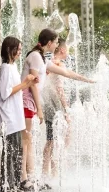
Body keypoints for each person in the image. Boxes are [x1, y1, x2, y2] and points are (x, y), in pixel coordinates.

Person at [20, 28, 94, 190]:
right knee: (26, 140)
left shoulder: (41, 58)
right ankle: (25, 178)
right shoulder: (35, 57)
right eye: (55, 42)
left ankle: (30, 178)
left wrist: (87, 80)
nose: (56, 45)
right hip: (27, 102)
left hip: (31, 103)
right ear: (49, 43)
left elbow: (66, 72)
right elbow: (32, 83)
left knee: (28, 140)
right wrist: (39, 109)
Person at [0, 36, 38, 192]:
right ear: (9, 50)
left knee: (16, 151)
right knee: (10, 152)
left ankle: (13, 184)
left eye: (21, 49)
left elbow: (16, 88)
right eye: (18, 49)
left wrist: (27, 83)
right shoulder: (6, 68)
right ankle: (6, 186)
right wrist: (25, 83)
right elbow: (5, 93)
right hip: (9, 117)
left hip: (15, 116)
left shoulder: (12, 67)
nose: (20, 52)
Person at [42, 38, 72, 181]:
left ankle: (49, 171)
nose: (69, 52)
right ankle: (50, 173)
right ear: (62, 50)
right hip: (54, 105)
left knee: (53, 139)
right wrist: (66, 109)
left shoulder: (52, 62)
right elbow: (59, 89)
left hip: (49, 104)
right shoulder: (57, 64)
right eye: (68, 50)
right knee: (53, 140)